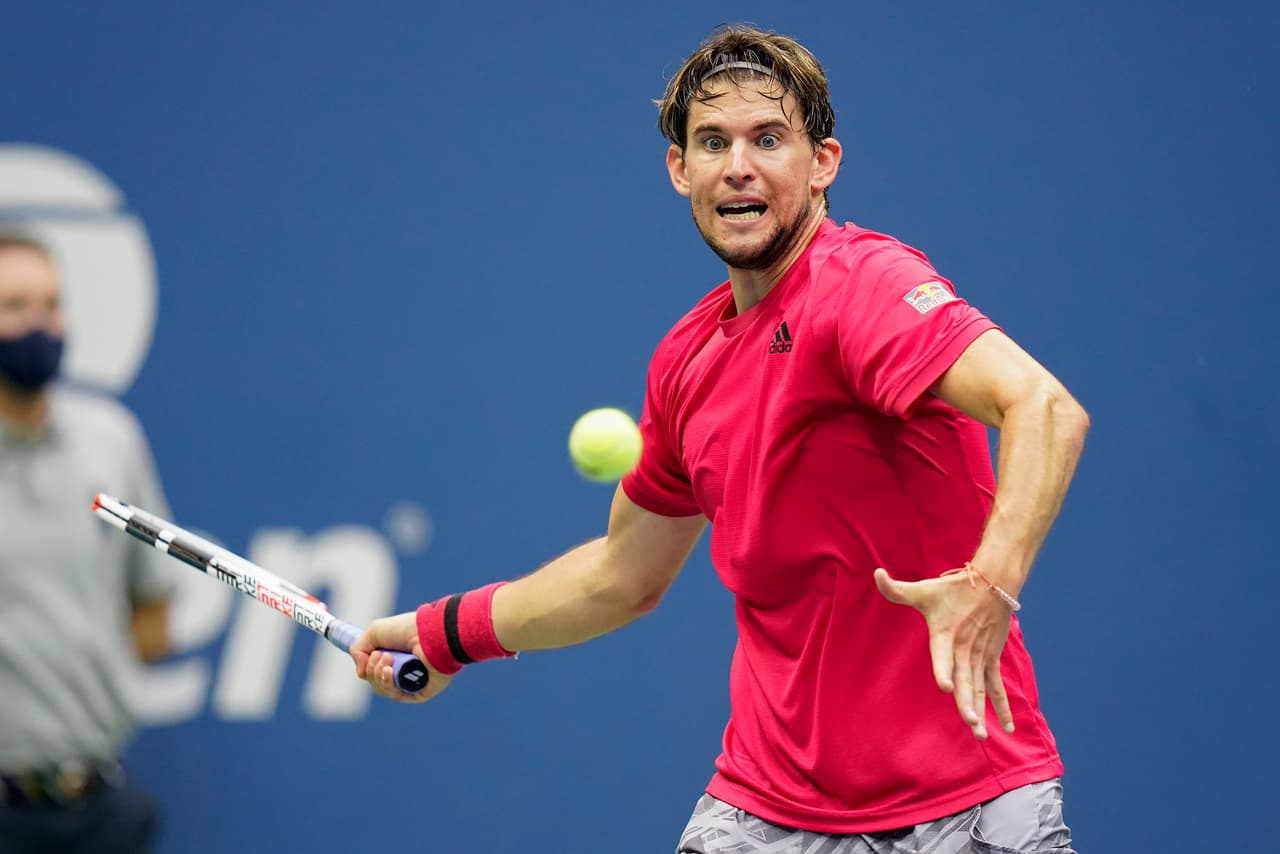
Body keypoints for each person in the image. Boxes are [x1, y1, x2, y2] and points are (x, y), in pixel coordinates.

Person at [353, 24, 1089, 854]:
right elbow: (622, 575)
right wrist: (449, 633)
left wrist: (991, 582)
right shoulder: (686, 361)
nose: (738, 165)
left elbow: (1046, 408)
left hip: (962, 807)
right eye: (713, 142)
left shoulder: (864, 289)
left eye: (767, 138)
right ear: (681, 171)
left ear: (823, 165)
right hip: (766, 807)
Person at [0, 232, 174, 853]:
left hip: (100, 804)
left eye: (51, 304)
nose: (38, 324)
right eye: (15, 306)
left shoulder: (111, 439)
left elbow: (153, 613)